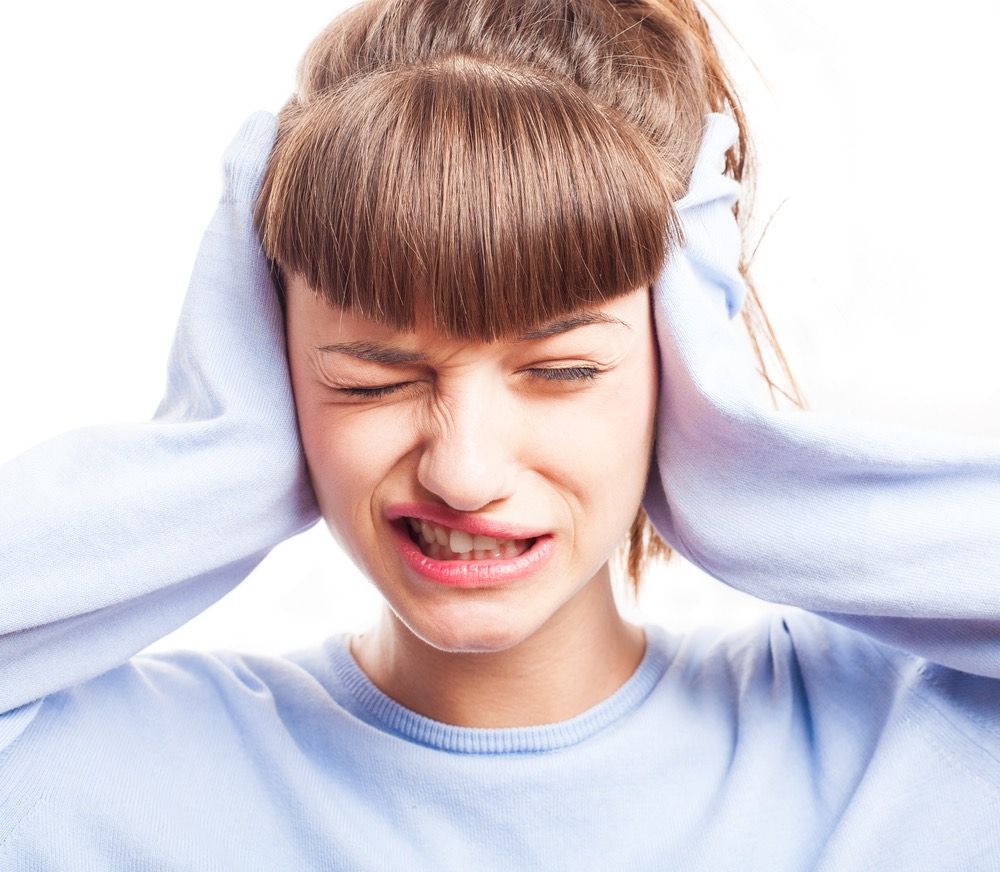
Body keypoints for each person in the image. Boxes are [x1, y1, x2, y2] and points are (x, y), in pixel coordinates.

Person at [1, 1, 998, 869]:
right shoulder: (111, 767)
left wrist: (755, 490)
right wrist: (219, 462)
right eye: (371, 377)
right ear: (272, 360)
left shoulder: (902, 746)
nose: (464, 469)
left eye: (562, 371)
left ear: (678, 358)